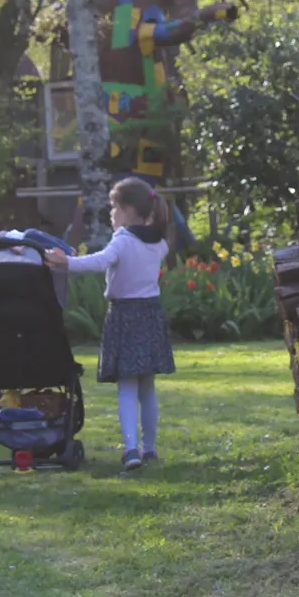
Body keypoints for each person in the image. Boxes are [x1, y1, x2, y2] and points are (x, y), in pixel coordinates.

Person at [45, 178, 174, 471]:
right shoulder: (159, 242)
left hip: (125, 316)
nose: (111, 214)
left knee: (127, 386)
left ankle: (131, 449)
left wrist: (66, 263)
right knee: (147, 386)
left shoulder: (124, 240)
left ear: (128, 209)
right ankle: (149, 448)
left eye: (114, 208)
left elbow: (100, 261)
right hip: (150, 315)